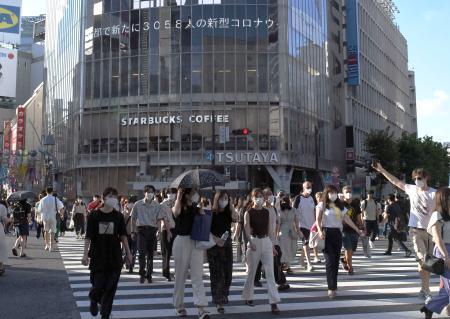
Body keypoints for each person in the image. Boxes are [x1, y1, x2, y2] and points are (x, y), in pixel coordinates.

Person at [373, 163, 436, 302]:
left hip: (432, 232)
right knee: (423, 259)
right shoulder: (412, 189)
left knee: (428, 263)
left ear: (426, 178)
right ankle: (428, 291)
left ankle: (423, 288)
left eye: (419, 178)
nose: (417, 181)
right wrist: (382, 170)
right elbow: (395, 181)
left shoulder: (434, 193)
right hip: (416, 230)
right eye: (415, 178)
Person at [81, 187, 132, 319]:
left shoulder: (118, 216)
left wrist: (128, 252)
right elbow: (88, 236)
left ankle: (105, 313)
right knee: (98, 285)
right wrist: (85, 254)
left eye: (115, 196)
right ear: (103, 199)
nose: (113, 199)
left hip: (114, 257)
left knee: (111, 287)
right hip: (98, 255)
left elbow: (123, 235)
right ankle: (94, 299)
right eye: (110, 196)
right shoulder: (94, 215)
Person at [316, 185, 364, 298]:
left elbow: (346, 219)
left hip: (337, 233)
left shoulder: (339, 205)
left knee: (336, 261)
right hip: (326, 233)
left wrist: (358, 230)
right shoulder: (322, 205)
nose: (333, 194)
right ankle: (331, 288)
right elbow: (317, 220)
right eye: (330, 192)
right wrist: (319, 231)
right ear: (326, 193)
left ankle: (334, 285)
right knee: (329, 261)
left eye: (334, 192)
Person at [172, 187, 209, 319]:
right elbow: (175, 213)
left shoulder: (195, 207)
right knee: (180, 275)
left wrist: (202, 212)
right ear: (186, 194)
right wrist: (178, 196)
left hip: (196, 242)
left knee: (197, 276)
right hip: (182, 241)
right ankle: (179, 305)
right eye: (193, 192)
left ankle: (201, 308)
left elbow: (203, 223)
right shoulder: (179, 205)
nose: (196, 195)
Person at [242, 188, 281, 313]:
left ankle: (274, 302)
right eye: (256, 196)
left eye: (260, 196)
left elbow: (270, 230)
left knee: (270, 273)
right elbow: (247, 229)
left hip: (266, 242)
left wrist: (273, 245)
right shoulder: (248, 213)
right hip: (255, 242)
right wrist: (250, 242)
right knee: (251, 272)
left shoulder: (266, 212)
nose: (259, 198)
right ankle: (248, 297)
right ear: (252, 198)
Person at [421, 187, 450, 319]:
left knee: (446, 290)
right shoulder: (437, 215)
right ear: (443, 199)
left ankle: (429, 307)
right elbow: (437, 238)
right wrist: (446, 256)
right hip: (444, 250)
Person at [207, 191, 238, 314]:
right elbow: (206, 229)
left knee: (228, 272)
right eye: (222, 198)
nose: (224, 201)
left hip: (227, 243)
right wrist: (216, 239)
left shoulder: (228, 212)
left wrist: (231, 206)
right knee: (216, 274)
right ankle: (218, 301)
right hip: (214, 245)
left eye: (226, 198)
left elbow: (236, 218)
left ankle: (224, 295)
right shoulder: (211, 212)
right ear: (217, 199)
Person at [254, 187, 290, 291]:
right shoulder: (261, 209)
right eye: (268, 194)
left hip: (273, 238)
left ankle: (279, 280)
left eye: (271, 194)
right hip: (264, 238)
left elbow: (277, 222)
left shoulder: (273, 208)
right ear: (263, 196)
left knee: (276, 258)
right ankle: (278, 281)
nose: (270, 196)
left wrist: (276, 234)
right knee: (263, 260)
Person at [131, 185, 167, 284]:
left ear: (154, 193)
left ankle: (149, 274)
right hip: (141, 230)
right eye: (148, 192)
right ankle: (142, 273)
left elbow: (159, 219)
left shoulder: (157, 205)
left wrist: (159, 231)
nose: (150, 194)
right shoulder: (137, 204)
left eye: (151, 192)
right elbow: (133, 218)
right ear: (144, 193)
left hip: (152, 230)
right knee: (142, 253)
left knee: (151, 254)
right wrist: (132, 231)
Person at [293, 181, 316, 271]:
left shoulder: (312, 198)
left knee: (309, 244)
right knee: (306, 242)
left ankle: (301, 258)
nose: (309, 188)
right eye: (307, 187)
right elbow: (293, 212)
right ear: (303, 188)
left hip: (312, 225)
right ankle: (309, 264)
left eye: (310, 186)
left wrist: (317, 225)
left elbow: (314, 211)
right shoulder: (298, 198)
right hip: (301, 225)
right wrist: (295, 226)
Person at [341, 186, 364, 275]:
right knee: (348, 248)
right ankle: (350, 267)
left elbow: (358, 218)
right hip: (344, 230)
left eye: (350, 191)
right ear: (343, 194)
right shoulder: (340, 204)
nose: (349, 193)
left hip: (354, 229)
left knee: (352, 249)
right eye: (347, 192)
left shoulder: (355, 204)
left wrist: (362, 227)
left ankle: (344, 259)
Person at [37, 187, 65, 252]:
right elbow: (61, 208)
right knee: (52, 232)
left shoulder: (43, 200)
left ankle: (47, 245)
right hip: (53, 217)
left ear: (46, 192)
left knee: (46, 231)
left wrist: (39, 218)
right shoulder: (56, 199)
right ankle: (51, 246)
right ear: (52, 192)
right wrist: (61, 215)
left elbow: (39, 210)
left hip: (45, 217)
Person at [279, 195, 300, 274]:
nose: (283, 203)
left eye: (285, 201)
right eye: (282, 201)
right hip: (282, 231)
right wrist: (276, 233)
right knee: (283, 248)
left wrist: (298, 230)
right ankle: (283, 265)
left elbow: (296, 221)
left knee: (292, 248)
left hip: (291, 230)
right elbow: (278, 223)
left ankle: (287, 265)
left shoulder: (293, 210)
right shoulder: (279, 210)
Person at [160, 188, 177, 281]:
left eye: (173, 193)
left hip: (176, 229)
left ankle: (177, 273)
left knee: (177, 253)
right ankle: (166, 273)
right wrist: (168, 231)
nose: (171, 194)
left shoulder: (178, 203)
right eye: (169, 193)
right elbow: (164, 218)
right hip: (166, 230)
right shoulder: (163, 204)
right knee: (167, 252)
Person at [123, 195, 137, 273]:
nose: (131, 205)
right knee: (127, 250)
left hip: (135, 233)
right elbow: (122, 223)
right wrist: (127, 212)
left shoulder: (137, 212)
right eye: (129, 203)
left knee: (134, 251)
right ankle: (127, 263)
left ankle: (131, 265)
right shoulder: (124, 212)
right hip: (127, 234)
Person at [233, 196, 247, 263]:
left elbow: (239, 222)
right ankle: (239, 258)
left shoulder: (243, 209)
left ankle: (242, 258)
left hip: (241, 228)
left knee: (240, 242)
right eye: (239, 201)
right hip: (239, 227)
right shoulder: (239, 209)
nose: (240, 202)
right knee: (239, 243)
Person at [0, 200, 11, 275]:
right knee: (2, 247)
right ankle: (0, 266)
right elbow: (5, 220)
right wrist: (11, 219)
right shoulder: (2, 207)